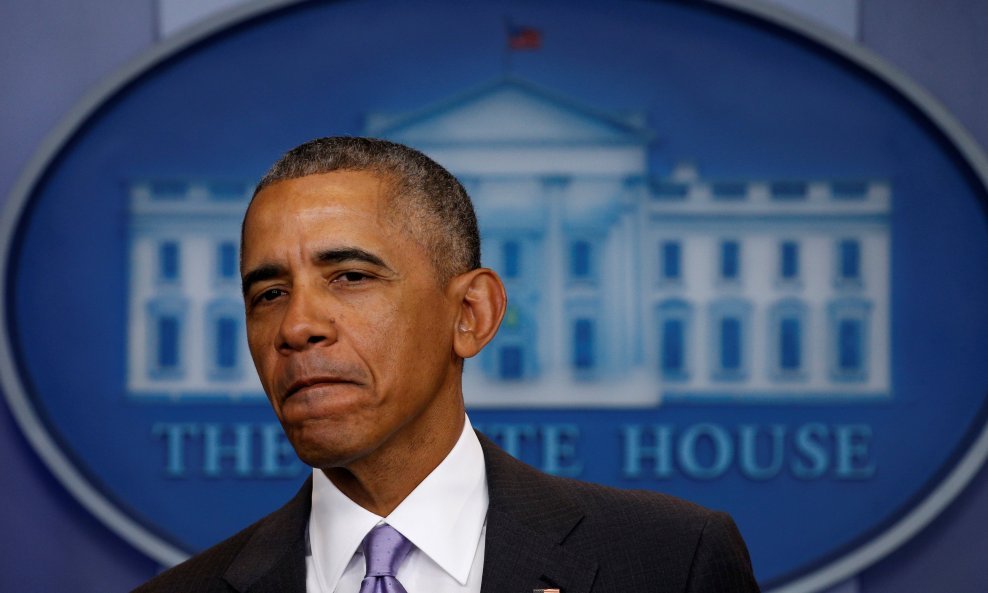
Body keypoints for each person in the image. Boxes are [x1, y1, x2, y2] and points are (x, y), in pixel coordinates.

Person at [133, 137, 759, 593]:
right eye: (268, 294)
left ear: (471, 314)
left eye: (350, 277)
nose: (296, 327)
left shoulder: (670, 564)